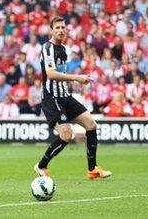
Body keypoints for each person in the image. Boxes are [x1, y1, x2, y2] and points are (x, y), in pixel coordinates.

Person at [34, 16, 111, 180]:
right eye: (58, 27)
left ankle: (93, 169)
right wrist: (76, 78)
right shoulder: (47, 48)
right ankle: (41, 166)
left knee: (91, 124)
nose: (61, 30)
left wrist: (76, 81)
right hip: (51, 98)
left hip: (65, 96)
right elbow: (51, 74)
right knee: (66, 135)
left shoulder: (63, 49)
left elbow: (61, 73)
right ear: (51, 30)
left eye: (63, 27)